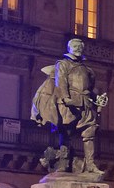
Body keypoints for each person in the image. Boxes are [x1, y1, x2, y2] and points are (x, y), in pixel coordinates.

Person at [31, 38, 108, 174]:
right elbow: (60, 82)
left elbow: (90, 89)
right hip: (69, 103)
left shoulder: (87, 70)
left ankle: (90, 165)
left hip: (85, 102)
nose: (78, 48)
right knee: (66, 133)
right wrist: (66, 98)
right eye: (75, 46)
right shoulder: (63, 64)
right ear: (69, 48)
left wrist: (97, 99)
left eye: (80, 46)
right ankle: (64, 164)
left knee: (89, 132)